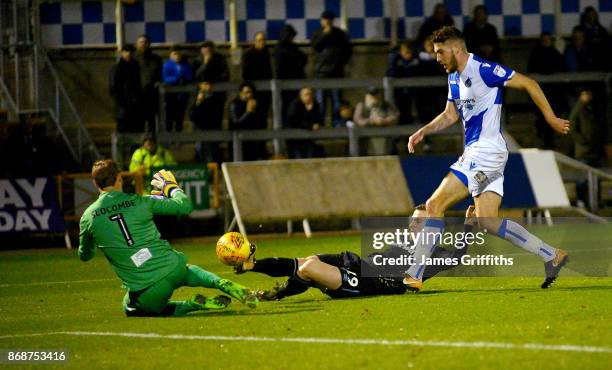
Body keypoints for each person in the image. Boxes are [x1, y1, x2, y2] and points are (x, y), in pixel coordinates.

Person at [404, 27, 570, 292]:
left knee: (434, 205)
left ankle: (414, 274)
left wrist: (550, 118)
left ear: (455, 48)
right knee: (488, 221)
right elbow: (450, 115)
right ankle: (551, 255)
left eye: (439, 52)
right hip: (485, 153)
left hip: (485, 151)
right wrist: (422, 131)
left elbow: (529, 83)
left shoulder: (483, 69)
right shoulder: (454, 78)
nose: (437, 58)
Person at [78, 160, 258, 316]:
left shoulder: (88, 217)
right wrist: (172, 188)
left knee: (130, 307)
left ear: (95, 183)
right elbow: (185, 206)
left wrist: (95, 243)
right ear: (119, 178)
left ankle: (190, 305)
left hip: (148, 289)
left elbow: (85, 255)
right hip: (174, 267)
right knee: (187, 271)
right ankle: (220, 282)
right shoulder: (142, 201)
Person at [235, 205, 477, 300]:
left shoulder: (433, 255)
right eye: (412, 221)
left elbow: (457, 257)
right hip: (356, 263)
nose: (412, 225)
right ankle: (252, 266)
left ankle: (272, 294)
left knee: (308, 268)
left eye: (419, 222)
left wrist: (469, 226)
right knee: (307, 261)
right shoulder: (404, 239)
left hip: (369, 283)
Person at [312, 10, 352, 126]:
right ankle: (321, 124)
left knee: (337, 102)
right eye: (324, 19)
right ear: (321, 21)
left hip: (336, 73)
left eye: (329, 19)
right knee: (320, 101)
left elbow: (347, 51)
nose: (327, 22)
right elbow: (315, 46)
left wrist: (340, 64)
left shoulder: (339, 34)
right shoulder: (318, 33)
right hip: (321, 73)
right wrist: (325, 35)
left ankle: (337, 124)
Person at [527, 32, 567, 149]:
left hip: (553, 94)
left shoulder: (555, 54)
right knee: (541, 118)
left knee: (553, 115)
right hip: (541, 92)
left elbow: (561, 68)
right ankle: (544, 141)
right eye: (544, 40)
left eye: (548, 39)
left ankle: (550, 141)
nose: (546, 42)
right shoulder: (536, 54)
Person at [274, 25, 307, 123]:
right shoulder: (282, 48)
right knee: (287, 105)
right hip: (286, 81)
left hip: (291, 81)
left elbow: (303, 58)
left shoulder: (289, 47)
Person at [228, 82, 268, 161]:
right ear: (240, 93)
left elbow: (262, 123)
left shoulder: (256, 104)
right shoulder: (234, 104)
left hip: (253, 142)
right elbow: (236, 123)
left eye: (251, 92)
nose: (249, 95)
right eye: (246, 93)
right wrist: (248, 112)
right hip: (239, 143)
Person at [353, 87, 399, 156]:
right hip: (368, 139)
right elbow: (358, 120)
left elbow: (395, 117)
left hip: (385, 137)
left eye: (376, 94)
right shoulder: (362, 105)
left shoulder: (386, 105)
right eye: (371, 94)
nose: (374, 96)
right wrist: (372, 121)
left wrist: (384, 121)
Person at [109, 44, 144, 133]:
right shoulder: (117, 68)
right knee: (124, 132)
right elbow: (114, 88)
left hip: (136, 106)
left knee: (137, 131)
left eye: (131, 52)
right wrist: (122, 103)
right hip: (123, 108)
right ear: (122, 53)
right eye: (126, 52)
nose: (129, 54)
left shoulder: (136, 67)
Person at [189, 80, 225, 164]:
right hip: (199, 133)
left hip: (211, 133)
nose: (207, 87)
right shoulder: (195, 98)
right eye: (205, 84)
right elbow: (192, 116)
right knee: (200, 157)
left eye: (209, 84)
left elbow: (214, 118)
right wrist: (198, 102)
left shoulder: (216, 99)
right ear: (200, 85)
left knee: (212, 159)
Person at [385, 40, 420, 125]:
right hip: (399, 91)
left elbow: (419, 72)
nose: (409, 55)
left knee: (413, 112)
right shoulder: (396, 60)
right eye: (406, 52)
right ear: (401, 52)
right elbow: (390, 73)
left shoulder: (416, 59)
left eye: (410, 52)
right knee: (400, 111)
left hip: (412, 91)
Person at [242, 31, 273, 123]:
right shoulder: (249, 54)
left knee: (263, 114)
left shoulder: (266, 53)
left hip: (265, 90)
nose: (261, 42)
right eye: (259, 40)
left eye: (263, 40)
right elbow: (245, 73)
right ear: (255, 41)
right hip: (253, 89)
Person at [134, 35, 162, 132]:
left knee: (152, 121)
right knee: (138, 120)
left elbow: (160, 74)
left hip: (152, 95)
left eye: (145, 42)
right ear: (137, 44)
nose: (143, 44)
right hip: (138, 95)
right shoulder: (133, 59)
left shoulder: (156, 59)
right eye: (141, 42)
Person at [286, 87, 322, 159]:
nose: (309, 96)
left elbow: (318, 119)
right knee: (298, 159)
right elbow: (294, 120)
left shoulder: (315, 105)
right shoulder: (295, 104)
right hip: (295, 139)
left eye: (310, 94)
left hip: (309, 138)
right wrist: (310, 125)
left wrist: (311, 110)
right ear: (301, 96)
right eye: (306, 94)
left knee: (310, 157)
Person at [162, 46, 192, 132]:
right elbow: (165, 78)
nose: (177, 56)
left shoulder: (186, 65)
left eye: (179, 54)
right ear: (170, 55)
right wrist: (176, 79)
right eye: (175, 54)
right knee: (169, 116)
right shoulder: (167, 65)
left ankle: (179, 136)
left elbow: (190, 76)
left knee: (180, 116)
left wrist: (185, 79)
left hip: (182, 95)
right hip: (170, 94)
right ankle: (169, 135)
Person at [570, 89, 600, 166]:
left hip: (592, 150)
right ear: (582, 95)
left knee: (593, 175)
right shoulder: (578, 108)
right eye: (587, 94)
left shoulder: (590, 107)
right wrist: (583, 141)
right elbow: (572, 127)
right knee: (583, 175)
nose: (589, 96)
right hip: (583, 152)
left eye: (590, 94)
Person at [576, 6, 610, 71]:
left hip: (602, 58)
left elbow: (607, 41)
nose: (592, 17)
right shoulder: (579, 29)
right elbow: (580, 46)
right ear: (585, 16)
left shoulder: (602, 29)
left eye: (594, 15)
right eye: (589, 15)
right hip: (587, 57)